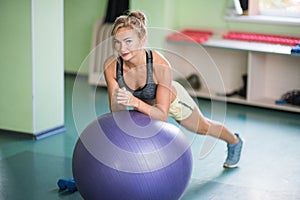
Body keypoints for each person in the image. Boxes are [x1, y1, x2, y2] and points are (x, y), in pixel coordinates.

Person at [104, 11, 244, 168]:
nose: (122, 48)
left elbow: (161, 116)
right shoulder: (111, 68)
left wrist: (134, 101)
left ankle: (234, 141)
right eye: (117, 42)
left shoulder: (160, 66)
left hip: (172, 102)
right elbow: (118, 113)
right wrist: (118, 100)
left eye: (128, 41)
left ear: (142, 40)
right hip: (142, 107)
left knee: (204, 127)